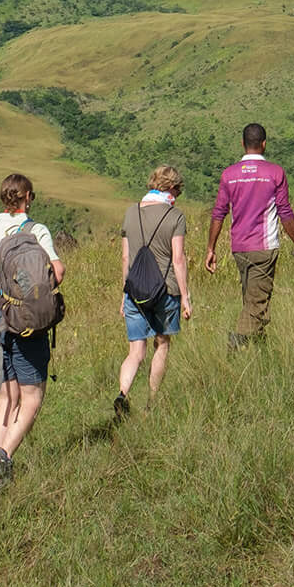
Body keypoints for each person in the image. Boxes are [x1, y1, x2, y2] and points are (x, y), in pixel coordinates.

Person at [0, 173, 64, 495]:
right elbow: (57, 272)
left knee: (6, 398)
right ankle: (4, 458)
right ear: (28, 197)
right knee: (32, 396)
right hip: (24, 319)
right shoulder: (37, 231)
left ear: (3, 198)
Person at [205, 123, 294, 348]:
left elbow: (219, 213)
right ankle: (236, 343)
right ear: (264, 144)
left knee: (252, 300)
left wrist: (211, 249)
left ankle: (260, 355)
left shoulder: (229, 175)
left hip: (240, 249)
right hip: (264, 248)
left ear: (242, 144)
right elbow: (285, 212)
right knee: (256, 303)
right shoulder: (275, 172)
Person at [114, 165, 194, 415]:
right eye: (177, 190)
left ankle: (123, 393)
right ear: (171, 188)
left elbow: (126, 257)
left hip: (135, 291)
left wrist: (124, 294)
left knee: (135, 351)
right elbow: (178, 259)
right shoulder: (175, 216)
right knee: (162, 343)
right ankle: (151, 401)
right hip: (166, 289)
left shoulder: (131, 212)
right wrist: (185, 297)